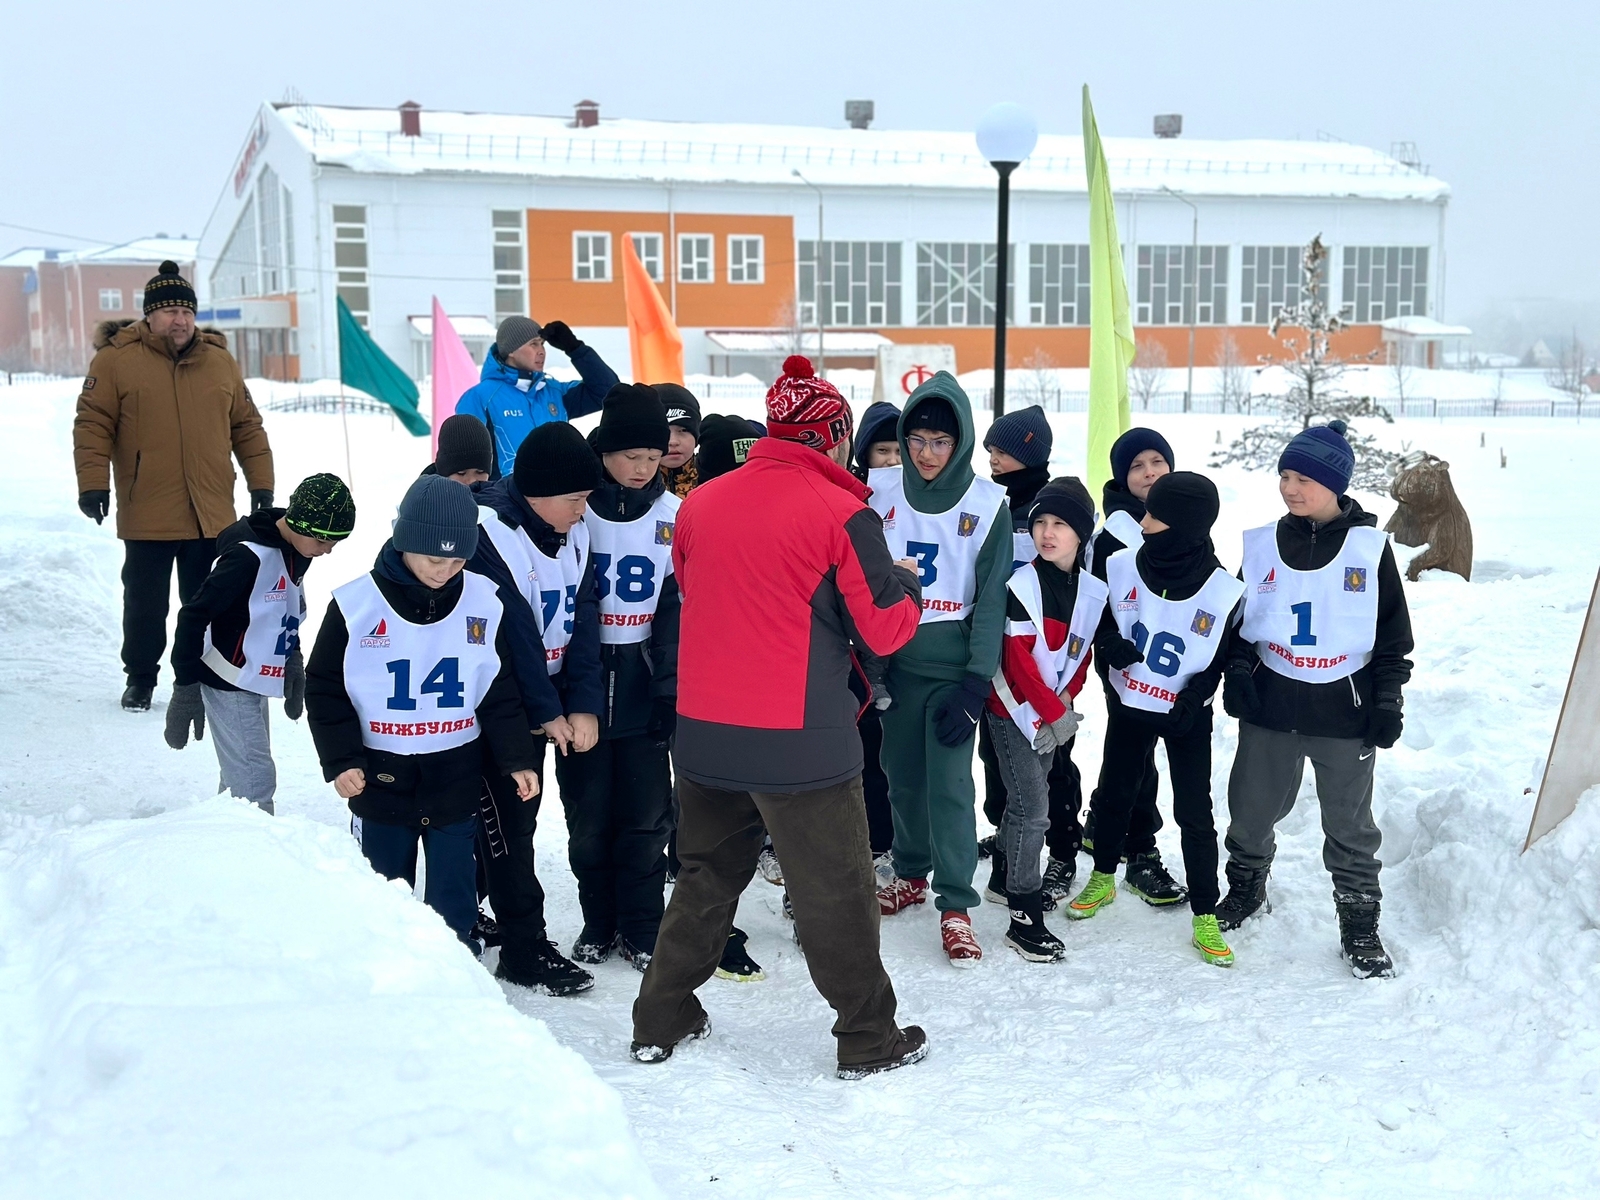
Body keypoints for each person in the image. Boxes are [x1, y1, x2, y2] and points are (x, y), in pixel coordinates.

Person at [632, 355, 927, 1078]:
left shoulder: (700, 502)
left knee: (704, 877)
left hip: (704, 730)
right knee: (836, 891)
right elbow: (886, 629)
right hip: (801, 738)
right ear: (832, 438)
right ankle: (867, 1037)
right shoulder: (843, 513)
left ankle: (660, 1017)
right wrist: (904, 588)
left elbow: (708, 591)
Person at [305, 475, 542, 952]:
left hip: (455, 775)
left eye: (458, 560)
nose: (446, 570)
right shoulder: (356, 604)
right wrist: (341, 759)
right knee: (382, 885)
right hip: (381, 777)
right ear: (405, 541)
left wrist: (517, 757)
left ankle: (454, 965)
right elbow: (325, 686)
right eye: (435, 558)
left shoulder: (483, 601)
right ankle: (385, 965)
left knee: (455, 891)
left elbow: (497, 689)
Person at [1219, 420, 1413, 979]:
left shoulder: (1369, 550)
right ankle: (1247, 886)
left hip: (1344, 711)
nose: (1289, 487)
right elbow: (1241, 624)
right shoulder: (1260, 545)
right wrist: (1239, 672)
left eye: (1303, 477)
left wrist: (1387, 701)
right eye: (1284, 475)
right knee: (1251, 810)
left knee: (1350, 825)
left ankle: (1359, 923)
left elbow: (1392, 637)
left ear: (1335, 483)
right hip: (1273, 708)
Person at [73, 260, 275, 711]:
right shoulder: (116, 361)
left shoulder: (219, 362)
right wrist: (93, 484)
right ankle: (141, 678)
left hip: (210, 512)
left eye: (186, 311)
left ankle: (200, 677)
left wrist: (261, 484)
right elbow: (92, 424)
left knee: (208, 602)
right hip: (148, 509)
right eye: (168, 311)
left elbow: (247, 427)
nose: (179, 320)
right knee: (145, 607)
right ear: (149, 316)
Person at [1070, 472, 1245, 968]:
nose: (1142, 522)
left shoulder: (1221, 588)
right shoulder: (1121, 565)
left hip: (1186, 717)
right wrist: (1108, 645)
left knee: (1195, 811)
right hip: (1131, 704)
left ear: (1185, 526)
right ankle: (1103, 877)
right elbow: (1102, 619)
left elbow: (1221, 655)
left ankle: (1205, 913)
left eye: (1154, 515)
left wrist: (1199, 696)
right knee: (1117, 791)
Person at [869, 373, 1012, 967]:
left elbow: (991, 599)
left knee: (950, 787)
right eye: (918, 440)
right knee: (900, 775)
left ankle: (955, 904)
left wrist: (976, 682)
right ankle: (910, 872)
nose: (927, 454)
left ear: (961, 445)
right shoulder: (879, 492)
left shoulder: (987, 504)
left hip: (953, 674)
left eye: (940, 442)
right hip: (895, 668)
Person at [466, 421, 606, 995]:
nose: (583, 510)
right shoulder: (490, 533)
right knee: (508, 826)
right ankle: (524, 948)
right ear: (537, 492)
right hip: (491, 708)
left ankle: (464, 910)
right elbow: (512, 635)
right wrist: (550, 712)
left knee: (505, 823)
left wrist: (585, 704)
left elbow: (584, 617)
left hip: (540, 702)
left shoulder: (575, 529)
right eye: (575, 498)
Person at [557, 385, 681, 971]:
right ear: (604, 451)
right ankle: (598, 920)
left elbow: (677, 614)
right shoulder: (574, 513)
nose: (641, 468)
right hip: (579, 684)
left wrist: (669, 693)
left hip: (641, 682)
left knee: (645, 817)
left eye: (653, 458)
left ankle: (641, 924)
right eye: (630, 456)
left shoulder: (674, 517)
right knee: (588, 817)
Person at [164, 474, 357, 814]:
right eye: (324, 540)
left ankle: (224, 833)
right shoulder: (246, 557)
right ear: (298, 524)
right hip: (225, 678)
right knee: (255, 780)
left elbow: (285, 605)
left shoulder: (297, 549)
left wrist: (291, 658)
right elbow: (193, 616)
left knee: (240, 776)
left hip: (251, 675)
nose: (327, 551)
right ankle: (254, 856)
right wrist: (185, 686)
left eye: (335, 543)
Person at [984, 477, 1105, 962]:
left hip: (1052, 715)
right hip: (1010, 711)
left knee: (1024, 806)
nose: (1047, 533)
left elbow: (1082, 656)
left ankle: (1001, 875)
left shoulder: (1090, 590)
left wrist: (1067, 703)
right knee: (1035, 810)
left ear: (1081, 535)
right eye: (1039, 523)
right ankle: (1023, 915)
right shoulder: (1021, 585)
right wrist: (1055, 713)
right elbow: (1017, 662)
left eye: (1060, 524)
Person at [975, 404, 1082, 907]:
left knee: (1053, 769)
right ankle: (1007, 842)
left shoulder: (1054, 506)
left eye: (1003, 451)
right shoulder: (987, 502)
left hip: (1046, 668)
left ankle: (1060, 850)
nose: (993, 459)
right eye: (990, 450)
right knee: (998, 764)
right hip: (998, 666)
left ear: (1028, 452)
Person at [1081, 426, 1186, 907]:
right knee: (1138, 751)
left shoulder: (1183, 511)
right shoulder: (1116, 531)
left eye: (1157, 463)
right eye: (1137, 466)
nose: (1149, 473)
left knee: (1133, 752)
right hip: (1127, 658)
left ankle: (1104, 819)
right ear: (1123, 476)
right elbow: (1096, 598)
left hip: (1175, 657)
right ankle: (1141, 851)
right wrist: (1108, 644)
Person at [454, 316, 619, 478]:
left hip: (559, 494)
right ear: (511, 350)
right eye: (533, 344)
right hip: (507, 500)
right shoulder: (480, 397)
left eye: (542, 344)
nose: (541, 351)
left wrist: (575, 348)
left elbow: (610, 392)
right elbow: (467, 461)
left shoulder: (555, 392)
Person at [849, 400, 903, 872]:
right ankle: (866, 841)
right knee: (862, 754)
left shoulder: (920, 498)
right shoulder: (850, 499)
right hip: (857, 650)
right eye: (882, 451)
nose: (891, 462)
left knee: (894, 760)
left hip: (904, 639)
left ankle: (889, 840)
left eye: (898, 451)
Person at [656, 383, 702, 498]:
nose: (673, 441)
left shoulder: (712, 478)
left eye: (683, 430)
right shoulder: (630, 483)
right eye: (663, 431)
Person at [426, 414, 495, 485]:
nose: (471, 481)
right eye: (461, 473)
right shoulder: (425, 495)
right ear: (443, 471)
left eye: (480, 472)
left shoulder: (499, 493)